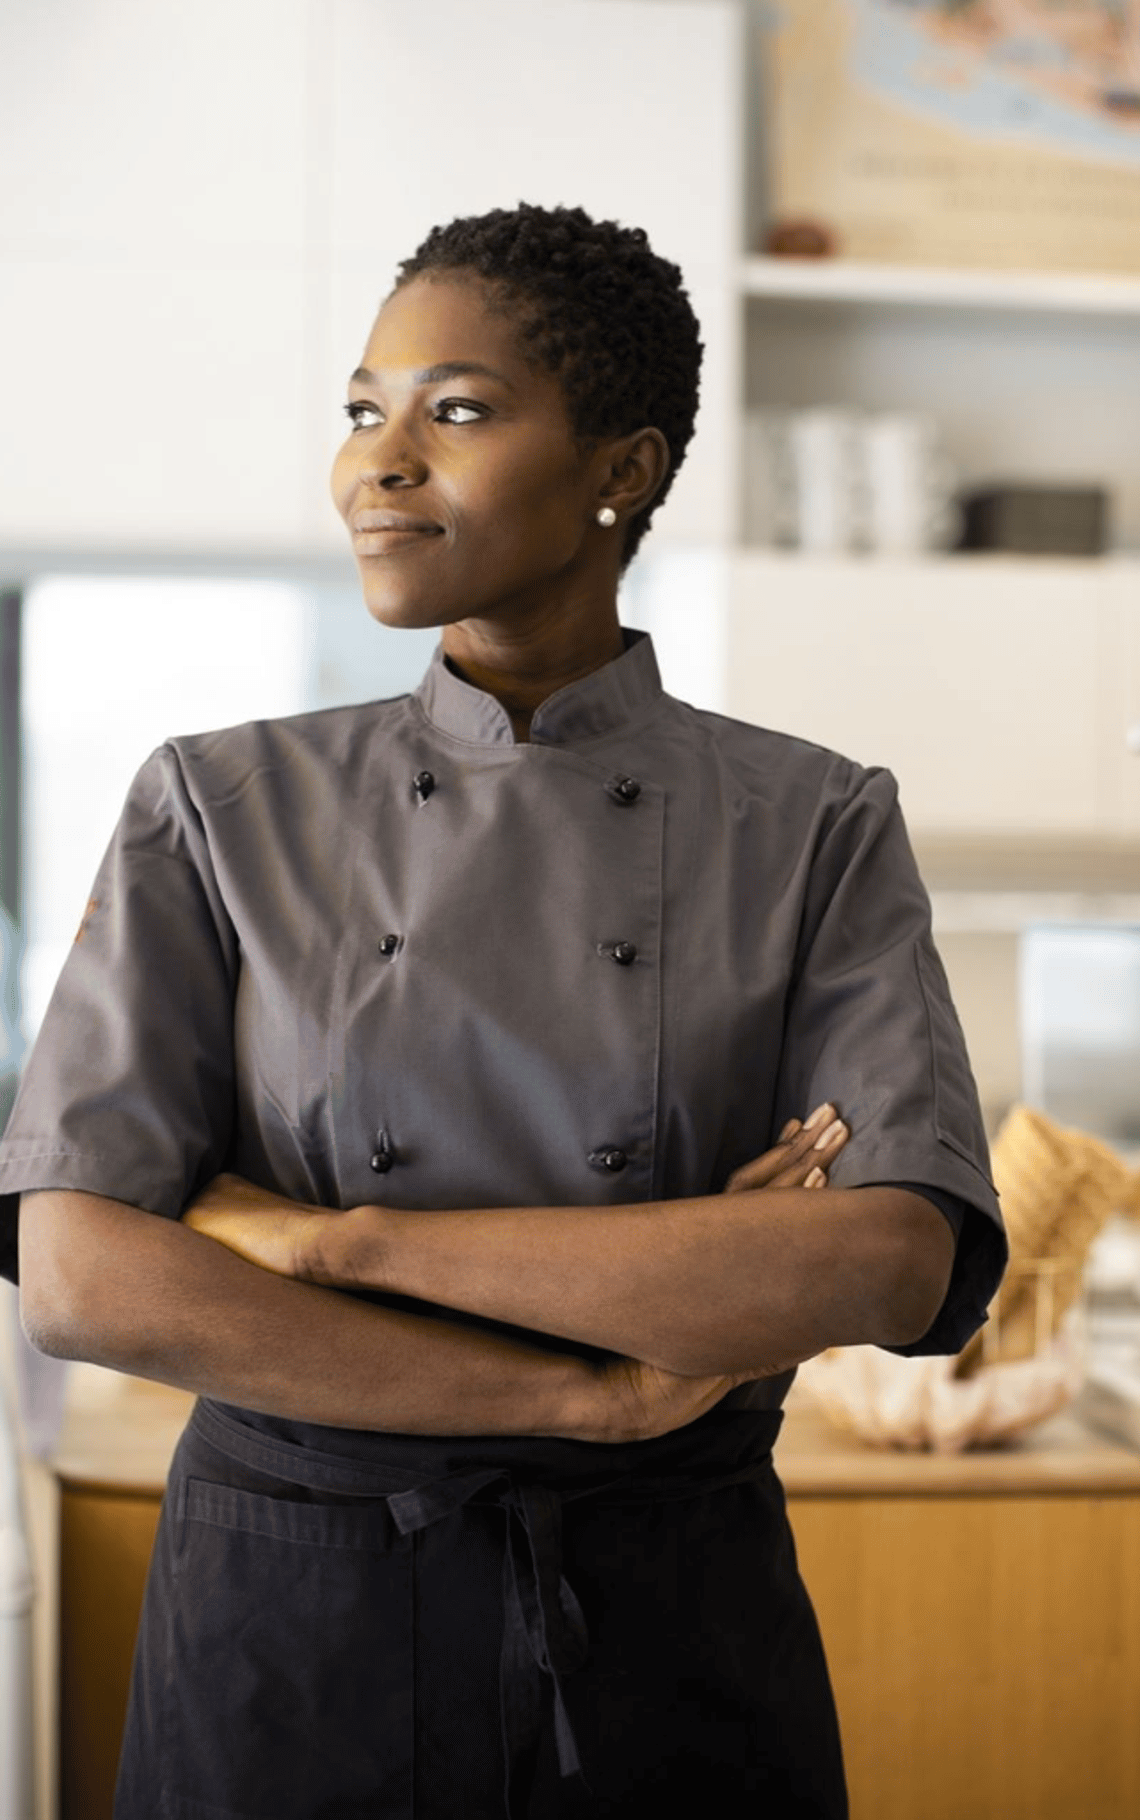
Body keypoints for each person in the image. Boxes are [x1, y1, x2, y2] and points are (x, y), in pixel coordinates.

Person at [1, 202, 1006, 1818]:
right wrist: (589, 1382)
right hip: (296, 1624)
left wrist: (341, 1243)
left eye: (452, 411)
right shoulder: (217, 802)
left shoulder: (811, 820)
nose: (376, 464)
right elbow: (84, 1274)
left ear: (622, 466)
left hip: (668, 1619)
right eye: (362, 411)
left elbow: (888, 1257)